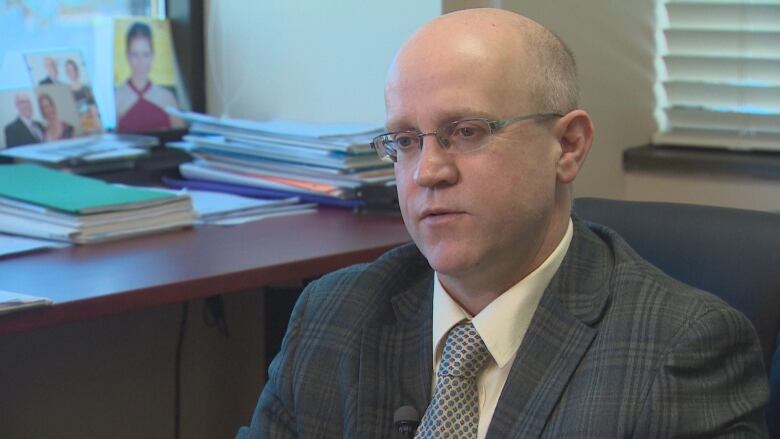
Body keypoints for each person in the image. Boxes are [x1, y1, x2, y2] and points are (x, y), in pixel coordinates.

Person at [237, 9, 769, 438]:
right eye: (404, 141)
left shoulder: (681, 350)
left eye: (467, 131)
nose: (428, 171)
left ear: (568, 146)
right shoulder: (335, 314)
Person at [114, 21, 184, 133]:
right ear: (127, 55)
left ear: (152, 56)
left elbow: (181, 140)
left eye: (145, 55)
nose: (140, 62)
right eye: (135, 55)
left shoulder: (168, 98)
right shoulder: (116, 99)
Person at [65, 58, 101, 133]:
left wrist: (96, 126)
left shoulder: (86, 88)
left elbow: (93, 109)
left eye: (72, 70)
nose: (71, 73)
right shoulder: (66, 92)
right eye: (68, 70)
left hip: (90, 125)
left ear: (76, 70)